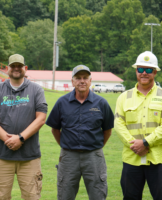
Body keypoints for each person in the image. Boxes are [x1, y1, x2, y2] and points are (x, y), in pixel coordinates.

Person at [114, 51, 162, 200]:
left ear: (155, 72)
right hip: (132, 157)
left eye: (148, 70)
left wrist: (145, 143)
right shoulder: (124, 97)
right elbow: (118, 124)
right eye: (140, 69)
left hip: (158, 159)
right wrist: (135, 145)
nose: (144, 73)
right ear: (136, 71)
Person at [0, 54, 48, 200]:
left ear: (25, 68)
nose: (16, 69)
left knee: (32, 197)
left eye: (20, 66)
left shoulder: (36, 90)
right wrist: (8, 139)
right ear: (7, 69)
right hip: (1, 155)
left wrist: (20, 138)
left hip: (29, 157)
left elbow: (41, 119)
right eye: (13, 66)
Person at [46, 65, 114, 200]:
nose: (82, 81)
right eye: (78, 78)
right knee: (65, 194)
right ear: (72, 81)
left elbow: (107, 131)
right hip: (68, 157)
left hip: (94, 157)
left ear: (90, 80)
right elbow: (55, 129)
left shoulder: (101, 103)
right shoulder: (62, 102)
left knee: (98, 195)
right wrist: (66, 146)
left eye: (85, 78)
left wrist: (95, 147)